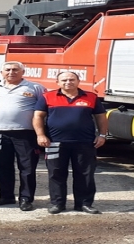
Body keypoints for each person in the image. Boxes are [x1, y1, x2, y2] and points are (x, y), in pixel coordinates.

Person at [33, 71, 108, 215]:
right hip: (54, 143)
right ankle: (57, 204)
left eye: (72, 79)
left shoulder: (91, 97)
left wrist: (102, 135)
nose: (68, 82)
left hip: (85, 143)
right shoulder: (47, 97)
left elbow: (101, 117)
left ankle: (84, 204)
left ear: (78, 81)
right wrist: (40, 135)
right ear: (58, 82)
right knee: (56, 174)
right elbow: (38, 116)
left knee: (85, 174)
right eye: (64, 80)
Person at [0, 61, 46, 211]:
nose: (11, 72)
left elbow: (44, 111)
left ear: (22, 72)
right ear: (2, 73)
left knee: (27, 168)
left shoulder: (35, 87)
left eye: (15, 70)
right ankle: (6, 196)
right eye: (8, 70)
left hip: (25, 133)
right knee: (2, 166)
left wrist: (42, 133)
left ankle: (26, 199)